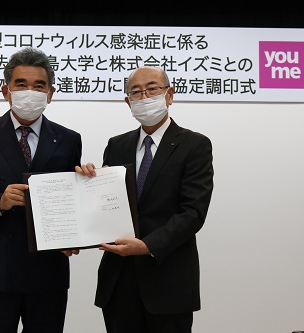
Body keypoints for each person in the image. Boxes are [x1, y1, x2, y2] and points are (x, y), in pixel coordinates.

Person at [0, 47, 81, 333]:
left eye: (39, 86)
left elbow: (72, 202)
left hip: (48, 272)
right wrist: (0, 200)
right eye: (21, 84)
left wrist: (78, 230)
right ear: (5, 90)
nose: (29, 92)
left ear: (51, 93)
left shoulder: (69, 139)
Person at [76, 66, 214, 333]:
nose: (144, 97)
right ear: (128, 102)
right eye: (136, 92)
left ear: (169, 95)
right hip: (118, 279)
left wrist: (147, 245)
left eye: (152, 89)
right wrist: (86, 183)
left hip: (168, 279)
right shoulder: (117, 145)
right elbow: (107, 203)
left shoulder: (194, 145)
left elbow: (193, 213)